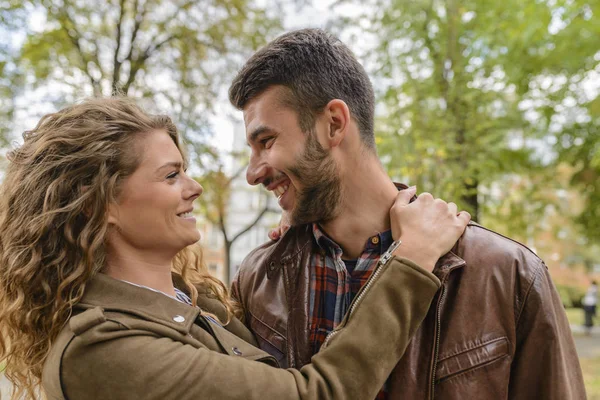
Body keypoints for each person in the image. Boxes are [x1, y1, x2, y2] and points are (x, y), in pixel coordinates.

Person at [0, 97, 470, 400]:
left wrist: (302, 211)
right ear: (100, 205)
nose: (196, 187)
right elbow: (319, 393)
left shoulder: (188, 302)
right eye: (171, 175)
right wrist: (411, 260)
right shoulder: (101, 349)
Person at [228, 28, 586, 399]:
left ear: (333, 124)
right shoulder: (257, 281)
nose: (253, 173)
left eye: (266, 142)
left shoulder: (509, 275)